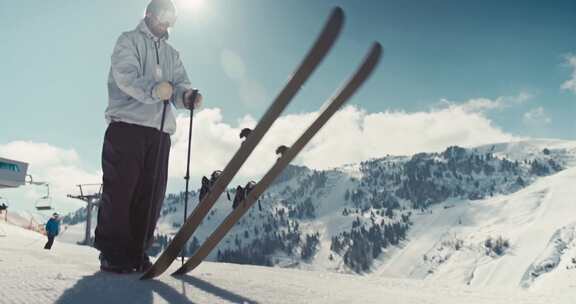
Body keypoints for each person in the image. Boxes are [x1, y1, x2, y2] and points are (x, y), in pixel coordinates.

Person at [94, 0, 203, 273]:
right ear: (149, 14)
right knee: (121, 191)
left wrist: (186, 96)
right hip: (127, 127)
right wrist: (155, 90)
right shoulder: (129, 41)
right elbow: (126, 77)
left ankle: (136, 252)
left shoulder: (171, 54)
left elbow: (179, 85)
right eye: (164, 15)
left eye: (172, 18)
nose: (167, 23)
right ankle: (113, 253)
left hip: (159, 132)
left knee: (151, 196)